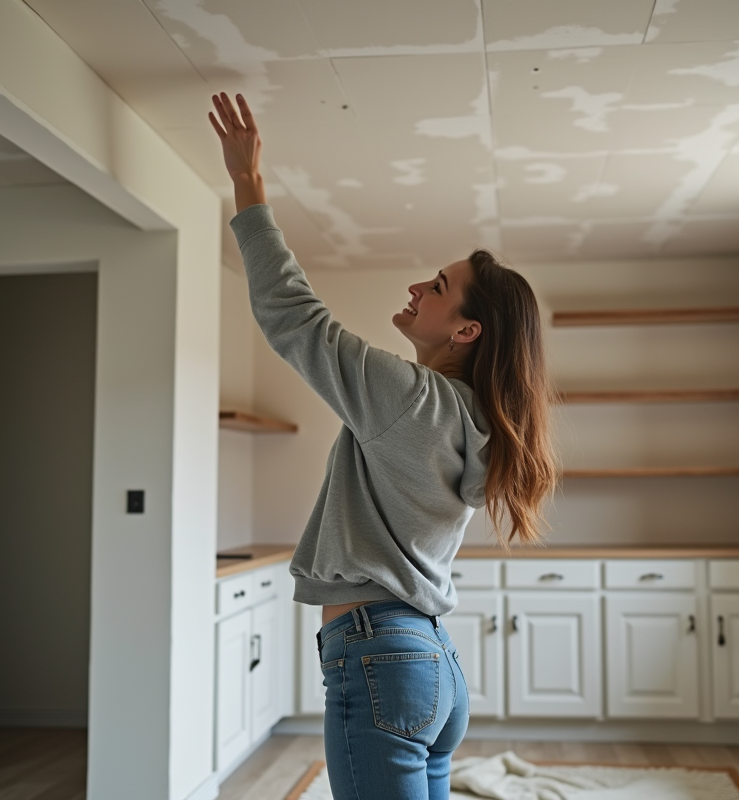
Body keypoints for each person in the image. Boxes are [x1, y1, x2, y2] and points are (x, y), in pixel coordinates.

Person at [210, 92, 558, 800]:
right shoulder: (474, 416)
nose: (415, 287)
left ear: (466, 331)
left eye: (436, 287)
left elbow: (293, 317)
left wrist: (248, 186)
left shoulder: (411, 398)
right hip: (429, 665)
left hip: (380, 660)